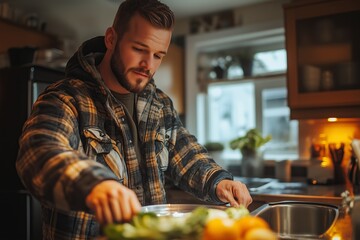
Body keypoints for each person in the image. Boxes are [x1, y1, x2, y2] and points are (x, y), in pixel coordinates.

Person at [16, 0, 252, 239]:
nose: (148, 65)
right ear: (111, 38)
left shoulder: (160, 104)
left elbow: (187, 155)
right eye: (139, 49)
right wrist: (93, 184)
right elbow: (39, 152)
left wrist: (218, 180)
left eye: (158, 55)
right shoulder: (66, 98)